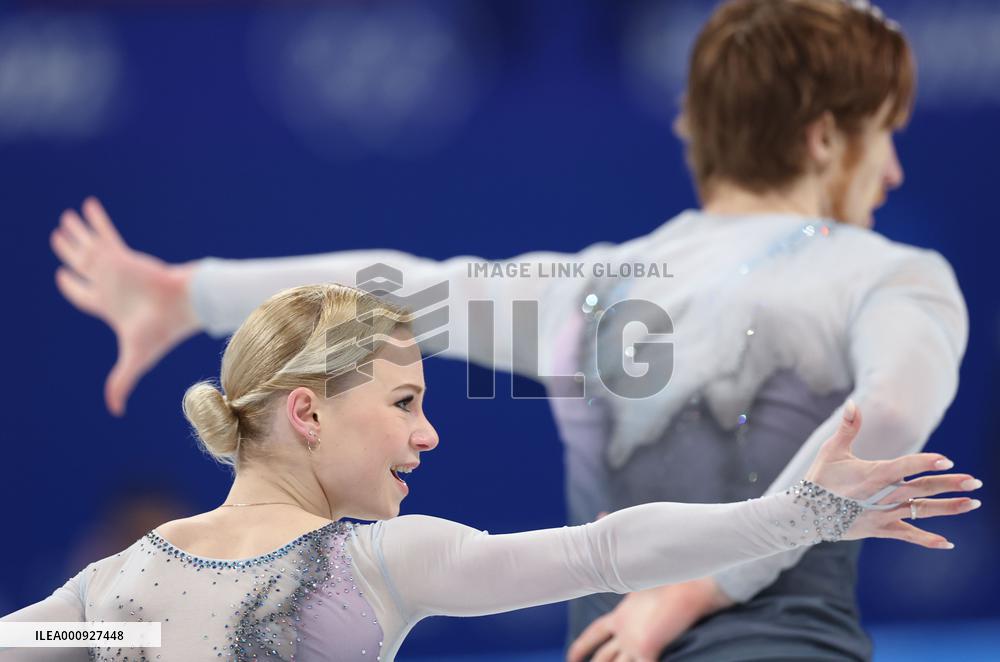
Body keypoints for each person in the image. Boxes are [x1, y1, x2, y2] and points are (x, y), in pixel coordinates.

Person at [46, 1, 970, 660]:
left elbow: (398, 284)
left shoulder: (598, 290)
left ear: (704, 130)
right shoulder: (888, 273)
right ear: (822, 140)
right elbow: (882, 418)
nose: (890, 171)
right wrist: (711, 583)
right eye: (884, 134)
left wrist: (189, 292)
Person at [0, 283, 982, 662]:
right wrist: (795, 515)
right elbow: (605, 547)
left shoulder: (120, 588)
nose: (427, 436)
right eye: (403, 403)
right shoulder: (376, 561)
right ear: (306, 411)